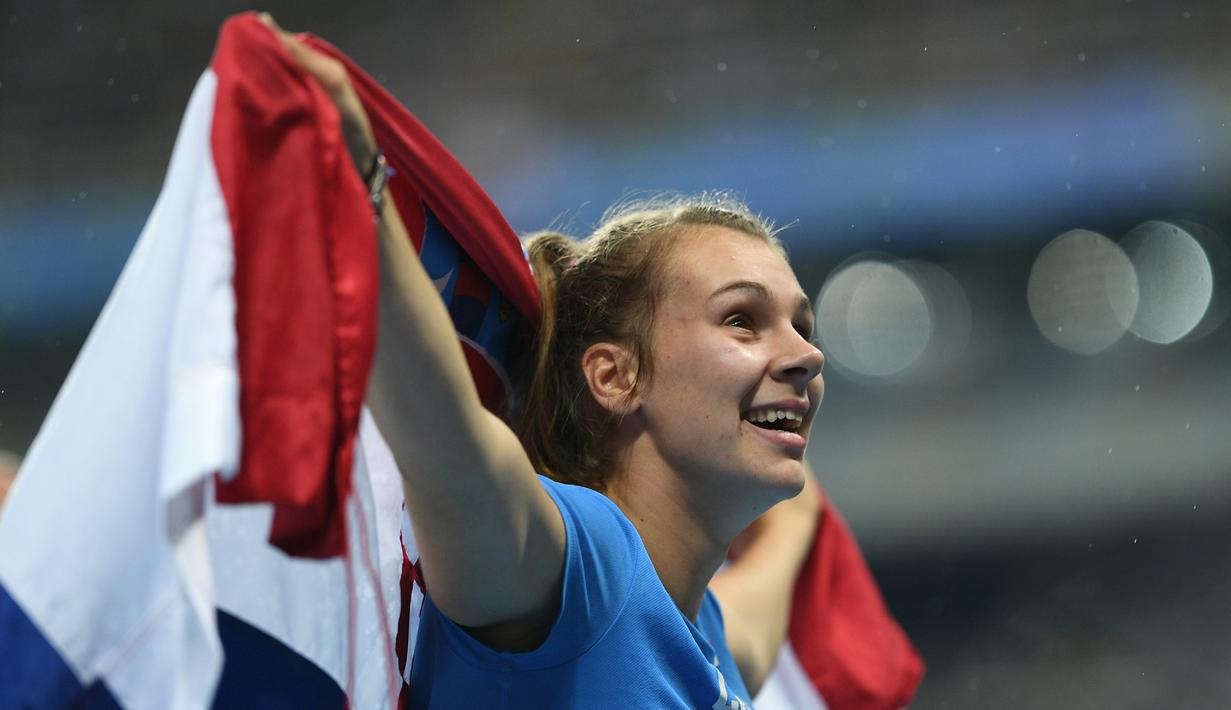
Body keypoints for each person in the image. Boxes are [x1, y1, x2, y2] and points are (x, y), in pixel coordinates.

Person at [264, 16, 825, 708]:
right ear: (615, 377)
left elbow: (754, 616)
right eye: (742, 319)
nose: (806, 354)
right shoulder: (576, 571)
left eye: (800, 325)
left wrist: (792, 532)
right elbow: (445, 441)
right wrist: (360, 191)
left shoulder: (699, 629)